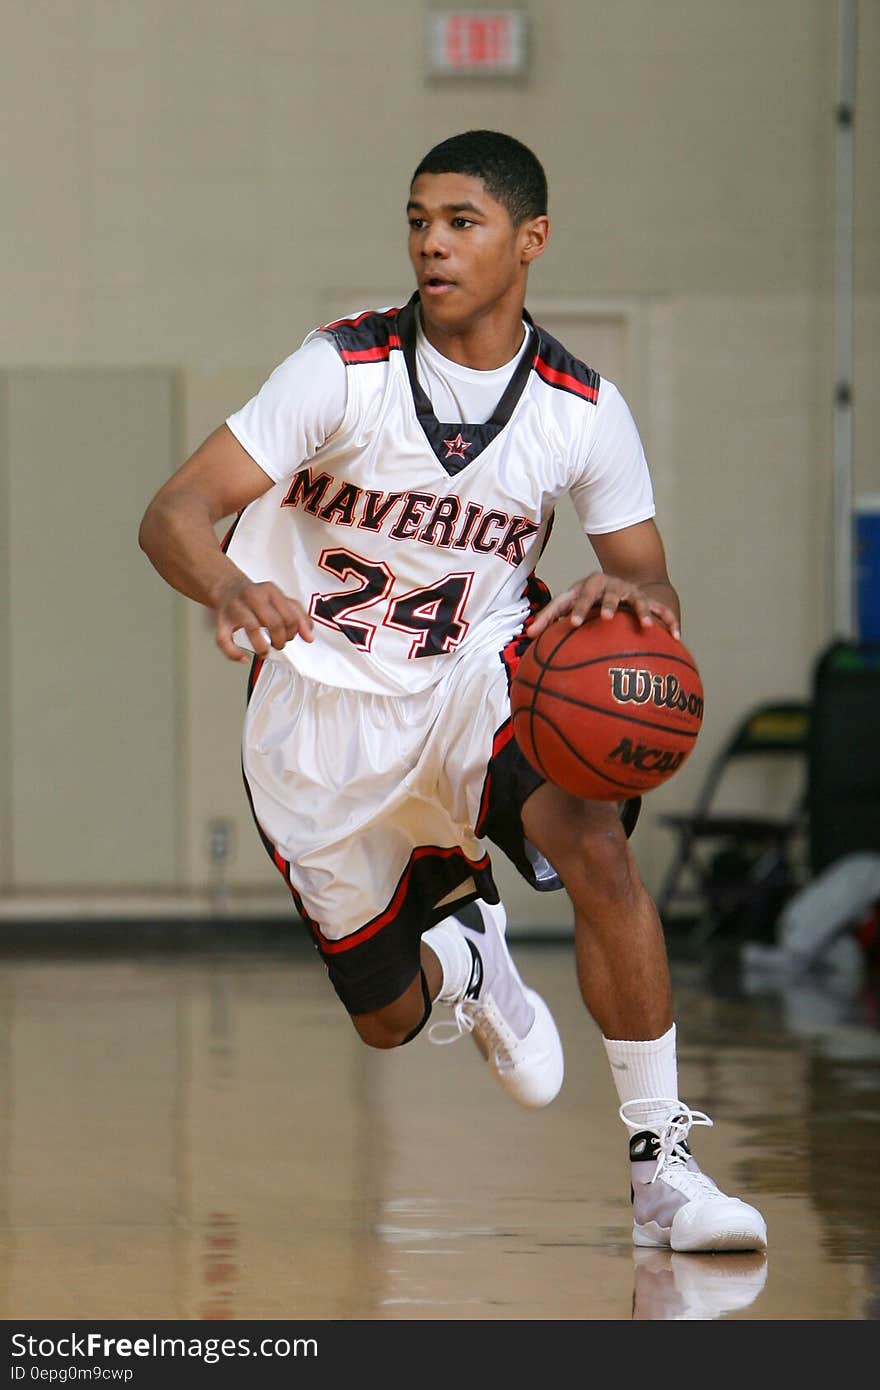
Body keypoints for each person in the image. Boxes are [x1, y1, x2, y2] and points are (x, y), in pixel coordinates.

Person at [139, 129, 767, 1253]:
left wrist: (632, 599)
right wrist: (232, 583)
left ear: (529, 240)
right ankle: (467, 960)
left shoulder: (579, 408)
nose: (432, 243)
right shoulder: (342, 370)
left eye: (460, 221)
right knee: (385, 1020)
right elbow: (173, 511)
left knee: (596, 845)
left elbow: (644, 573)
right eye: (418, 220)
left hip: (476, 675)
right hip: (317, 717)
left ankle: (664, 1168)